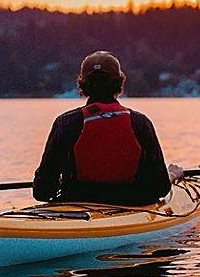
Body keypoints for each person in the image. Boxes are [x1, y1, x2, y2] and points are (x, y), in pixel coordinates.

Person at [33, 51, 184, 205]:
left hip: (76, 207)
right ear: (119, 83)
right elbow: (160, 188)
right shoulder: (140, 123)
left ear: (82, 84)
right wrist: (171, 175)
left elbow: (42, 192)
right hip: (132, 206)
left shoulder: (65, 123)